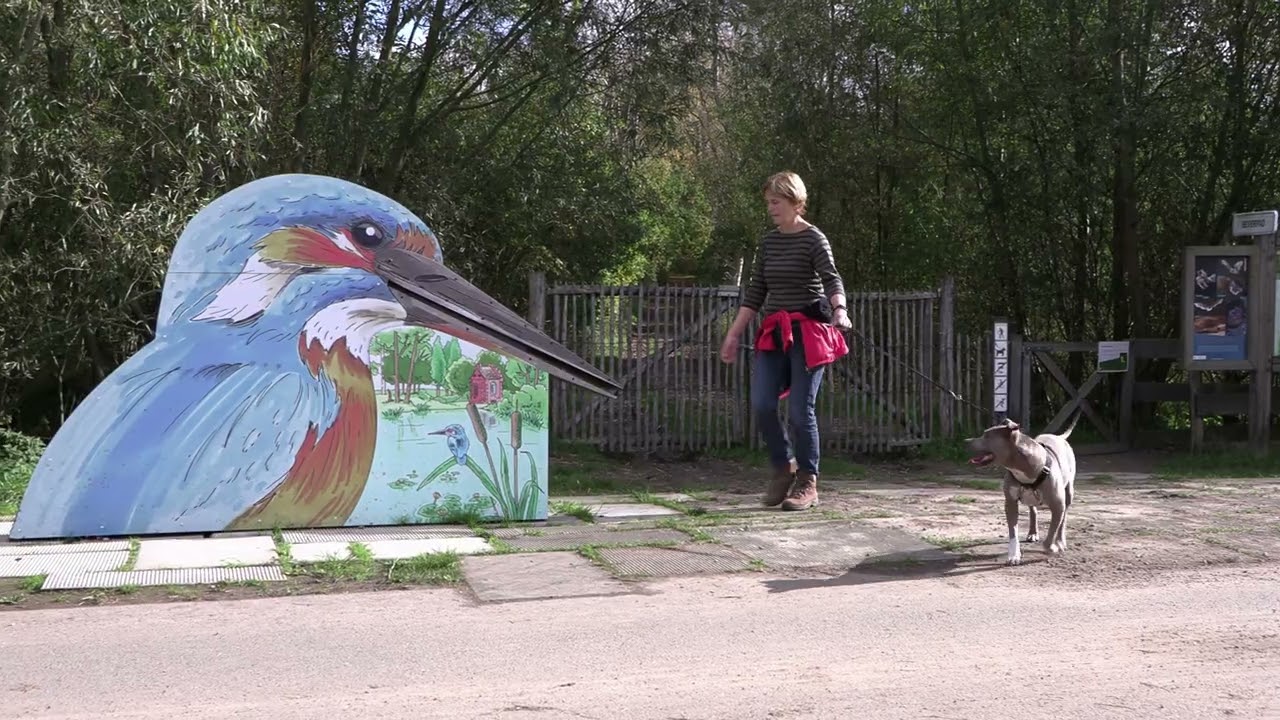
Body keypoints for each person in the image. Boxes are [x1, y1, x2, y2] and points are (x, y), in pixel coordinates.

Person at [719, 171, 850, 511]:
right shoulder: (769, 241)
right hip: (774, 333)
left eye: (775, 202)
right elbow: (756, 291)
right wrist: (733, 334)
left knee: (799, 410)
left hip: (809, 333)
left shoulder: (814, 239)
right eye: (768, 203)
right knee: (762, 404)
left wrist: (840, 311)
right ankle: (783, 467)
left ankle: (808, 481)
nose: (771, 208)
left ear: (794, 201)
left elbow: (831, 278)